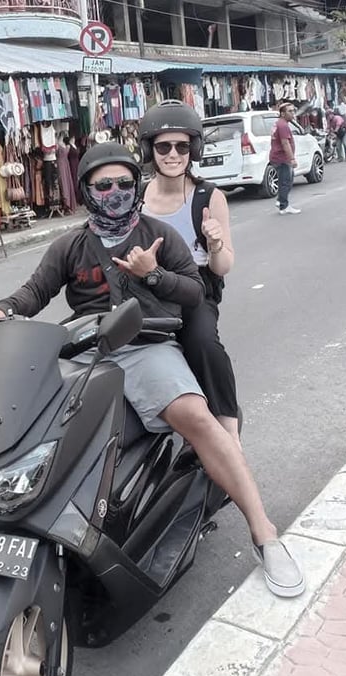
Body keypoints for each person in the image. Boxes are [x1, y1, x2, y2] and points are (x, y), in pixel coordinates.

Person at [0, 142, 304, 598]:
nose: (115, 193)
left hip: (145, 346)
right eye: (103, 185)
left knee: (198, 421)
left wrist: (152, 274)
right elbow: (35, 290)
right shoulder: (70, 246)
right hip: (86, 352)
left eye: (125, 185)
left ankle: (265, 535)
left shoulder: (157, 235)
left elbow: (193, 291)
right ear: (88, 191)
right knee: (41, 425)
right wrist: (1, 310)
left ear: (136, 186)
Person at [138, 101, 240, 448]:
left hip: (194, 288)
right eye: (163, 146)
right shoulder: (136, 198)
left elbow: (223, 266)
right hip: (146, 288)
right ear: (149, 150)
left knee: (203, 343)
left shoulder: (208, 197)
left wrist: (214, 242)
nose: (173, 154)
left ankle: (229, 431)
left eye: (182, 146)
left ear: (193, 150)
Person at [270, 103, 301, 215]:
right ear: (283, 114)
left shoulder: (279, 123)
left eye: (293, 110)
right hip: (282, 158)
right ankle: (284, 206)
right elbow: (285, 143)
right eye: (290, 111)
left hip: (278, 157)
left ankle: (280, 200)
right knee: (286, 181)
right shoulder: (283, 125)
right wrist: (292, 159)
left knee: (288, 180)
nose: (293, 113)